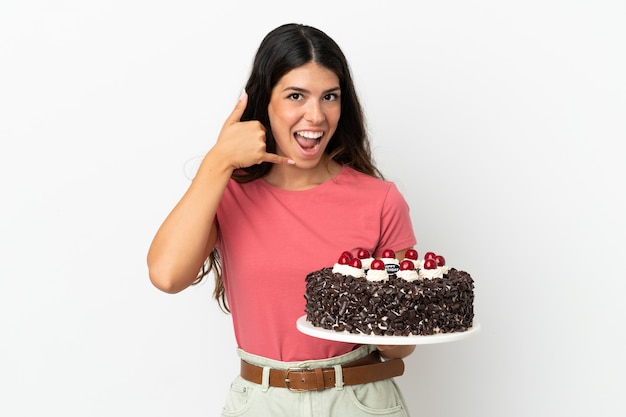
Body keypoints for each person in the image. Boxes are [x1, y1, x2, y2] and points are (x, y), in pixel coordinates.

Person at [147, 23, 417, 416]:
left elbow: (400, 346)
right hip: (261, 401)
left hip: (359, 401)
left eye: (330, 97)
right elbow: (167, 275)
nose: (316, 115)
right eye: (296, 96)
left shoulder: (380, 200)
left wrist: (371, 302)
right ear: (264, 103)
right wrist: (219, 158)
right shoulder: (228, 191)